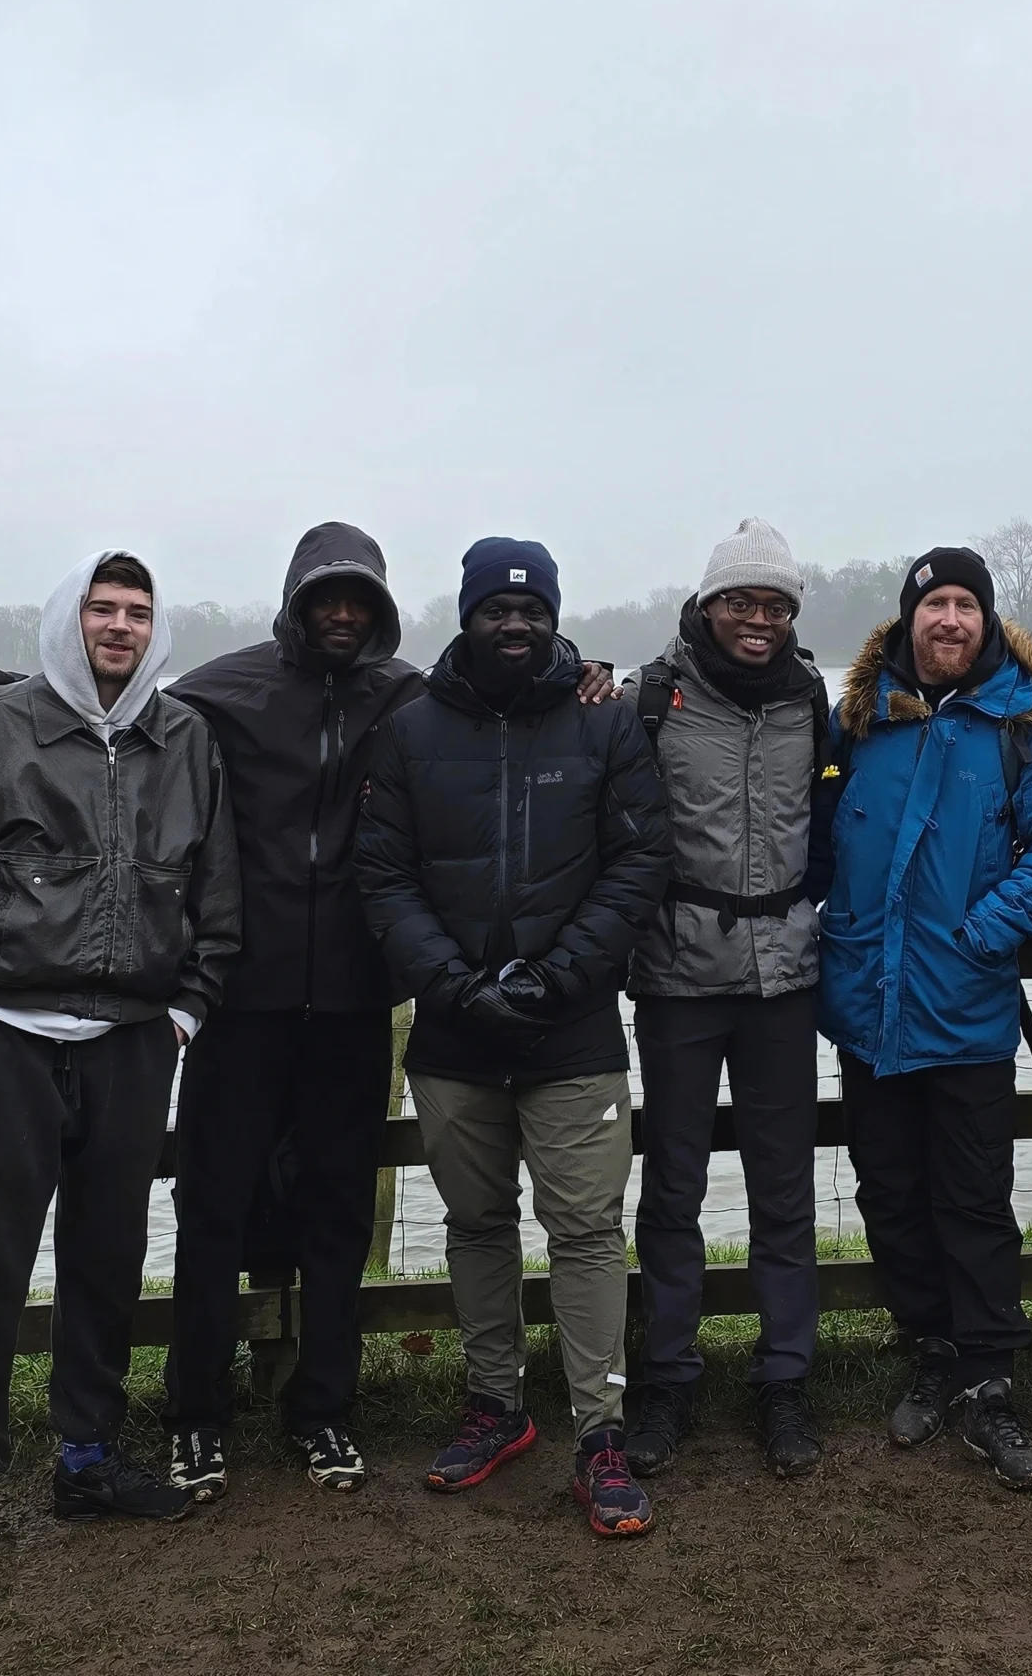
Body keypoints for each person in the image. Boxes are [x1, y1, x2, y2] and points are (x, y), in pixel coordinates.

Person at [0, 526, 613, 1502]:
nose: (341, 614)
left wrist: (581, 671)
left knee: (337, 1212)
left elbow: (500, 691)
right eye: (324, 597)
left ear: (377, 608)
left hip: (350, 1003)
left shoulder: (406, 693)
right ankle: (195, 1412)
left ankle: (323, 1408)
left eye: (358, 601)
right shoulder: (228, 687)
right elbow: (122, 710)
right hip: (235, 1005)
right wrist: (2, 682)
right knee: (209, 1209)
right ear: (295, 601)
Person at [0, 550, 240, 1597]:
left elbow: (220, 899)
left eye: (136, 611)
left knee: (106, 1259)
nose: (117, 626)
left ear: (156, 629)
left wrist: (181, 1012)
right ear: (66, 619)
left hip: (130, 1043)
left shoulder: (186, 739)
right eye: (100, 608)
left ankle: (88, 1456)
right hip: (6, 1043)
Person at [353, 538, 673, 1538]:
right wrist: (449, 982)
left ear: (553, 617)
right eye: (497, 609)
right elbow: (383, 873)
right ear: (467, 614)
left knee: (585, 1229)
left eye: (532, 610)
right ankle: (495, 1406)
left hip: (571, 1028)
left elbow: (638, 860)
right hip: (454, 1033)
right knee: (477, 1224)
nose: (516, 625)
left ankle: (601, 1431)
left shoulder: (605, 724)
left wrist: (558, 973)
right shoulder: (407, 733)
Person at [815, 547, 1032, 1491]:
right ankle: (931, 1351)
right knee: (888, 1190)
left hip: (967, 1006)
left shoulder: (1023, 727)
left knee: (974, 1200)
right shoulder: (856, 723)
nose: (949, 620)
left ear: (986, 622)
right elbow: (810, 838)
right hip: (867, 1006)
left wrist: (989, 931)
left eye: (965, 606)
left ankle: (987, 1376)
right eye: (933, 604)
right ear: (905, 621)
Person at [621, 520, 830, 1482]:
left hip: (785, 976)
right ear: (707, 606)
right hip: (677, 978)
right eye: (741, 602)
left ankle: (785, 1377)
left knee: (786, 1191)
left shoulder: (811, 699)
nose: (759, 619)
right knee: (673, 1188)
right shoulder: (650, 697)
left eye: (776, 605)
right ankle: (665, 1376)